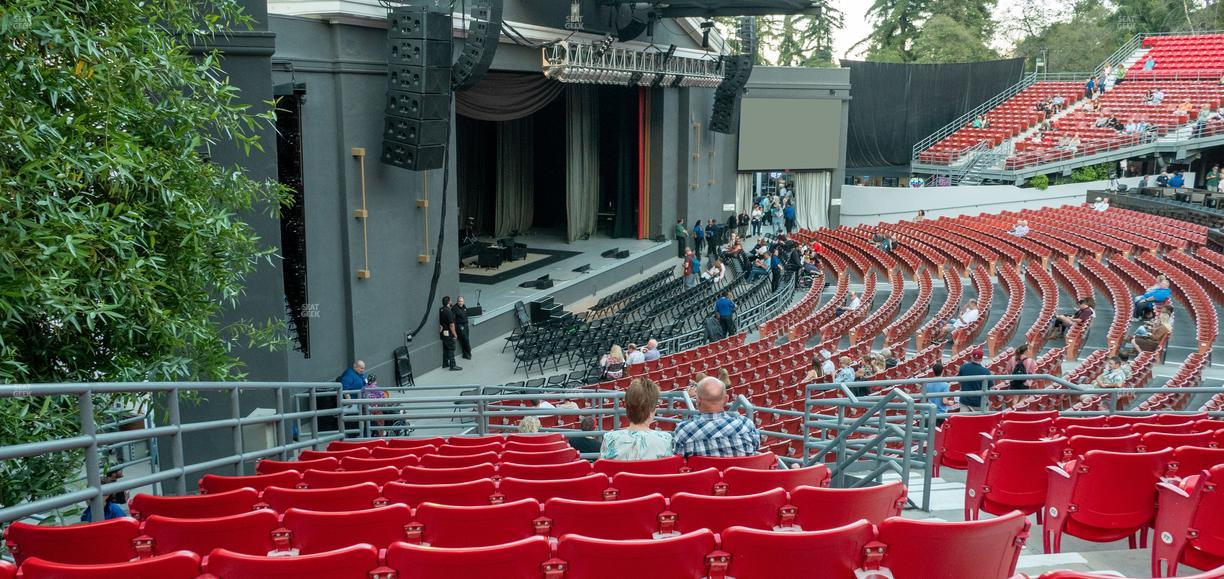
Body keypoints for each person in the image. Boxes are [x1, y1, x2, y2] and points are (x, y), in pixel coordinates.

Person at [672, 377, 760, 457]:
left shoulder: (684, 430)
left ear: (698, 401)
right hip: (740, 474)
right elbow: (756, 448)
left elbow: (679, 460)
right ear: (726, 399)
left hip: (704, 475)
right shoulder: (746, 425)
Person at [600, 379, 673, 460]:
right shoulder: (665, 440)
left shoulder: (610, 439)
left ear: (627, 408)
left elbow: (601, 467)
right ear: (652, 410)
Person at [956, 347, 994, 411]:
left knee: (963, 420)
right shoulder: (985, 371)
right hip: (980, 403)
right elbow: (990, 386)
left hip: (965, 402)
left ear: (972, 357)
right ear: (981, 359)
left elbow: (959, 380)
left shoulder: (963, 367)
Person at [439, 296, 461, 371]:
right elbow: (451, 325)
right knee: (451, 348)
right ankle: (452, 365)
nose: (451, 301)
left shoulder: (441, 309)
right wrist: (455, 334)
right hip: (449, 333)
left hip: (443, 333)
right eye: (450, 300)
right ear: (448, 302)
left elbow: (441, 323)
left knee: (445, 348)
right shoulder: (449, 311)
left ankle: (445, 363)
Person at [453, 296, 472, 360]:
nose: (460, 303)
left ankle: (465, 354)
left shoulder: (464, 306)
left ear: (463, 302)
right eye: (459, 301)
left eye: (461, 301)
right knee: (465, 339)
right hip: (460, 326)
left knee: (466, 339)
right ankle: (468, 352)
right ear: (457, 301)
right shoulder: (454, 308)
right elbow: (452, 319)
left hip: (466, 324)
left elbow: (466, 314)